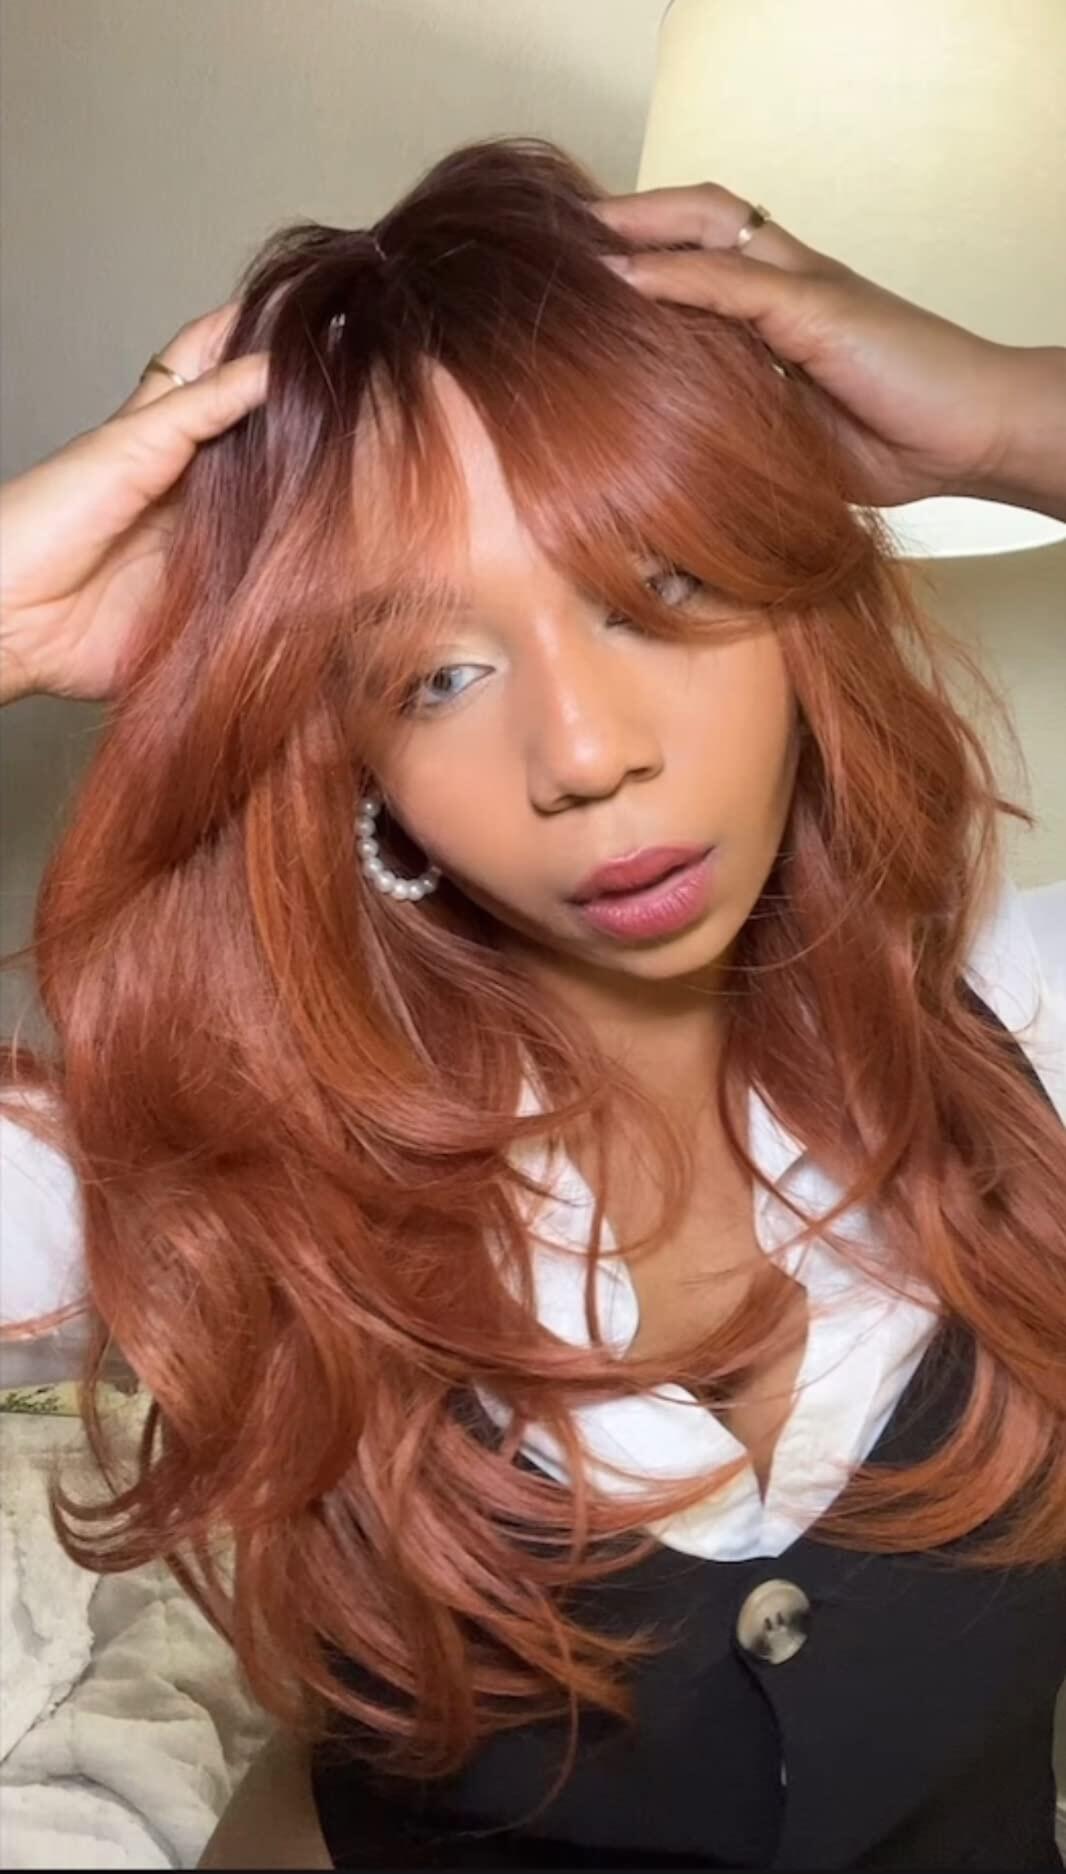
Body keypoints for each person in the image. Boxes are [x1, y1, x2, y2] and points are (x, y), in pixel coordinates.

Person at [1, 138, 1064, 1871]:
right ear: (356, 757)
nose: (580, 752)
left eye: (663, 587)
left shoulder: (1022, 1025)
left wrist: (1006, 413)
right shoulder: (199, 1163)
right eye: (439, 673)